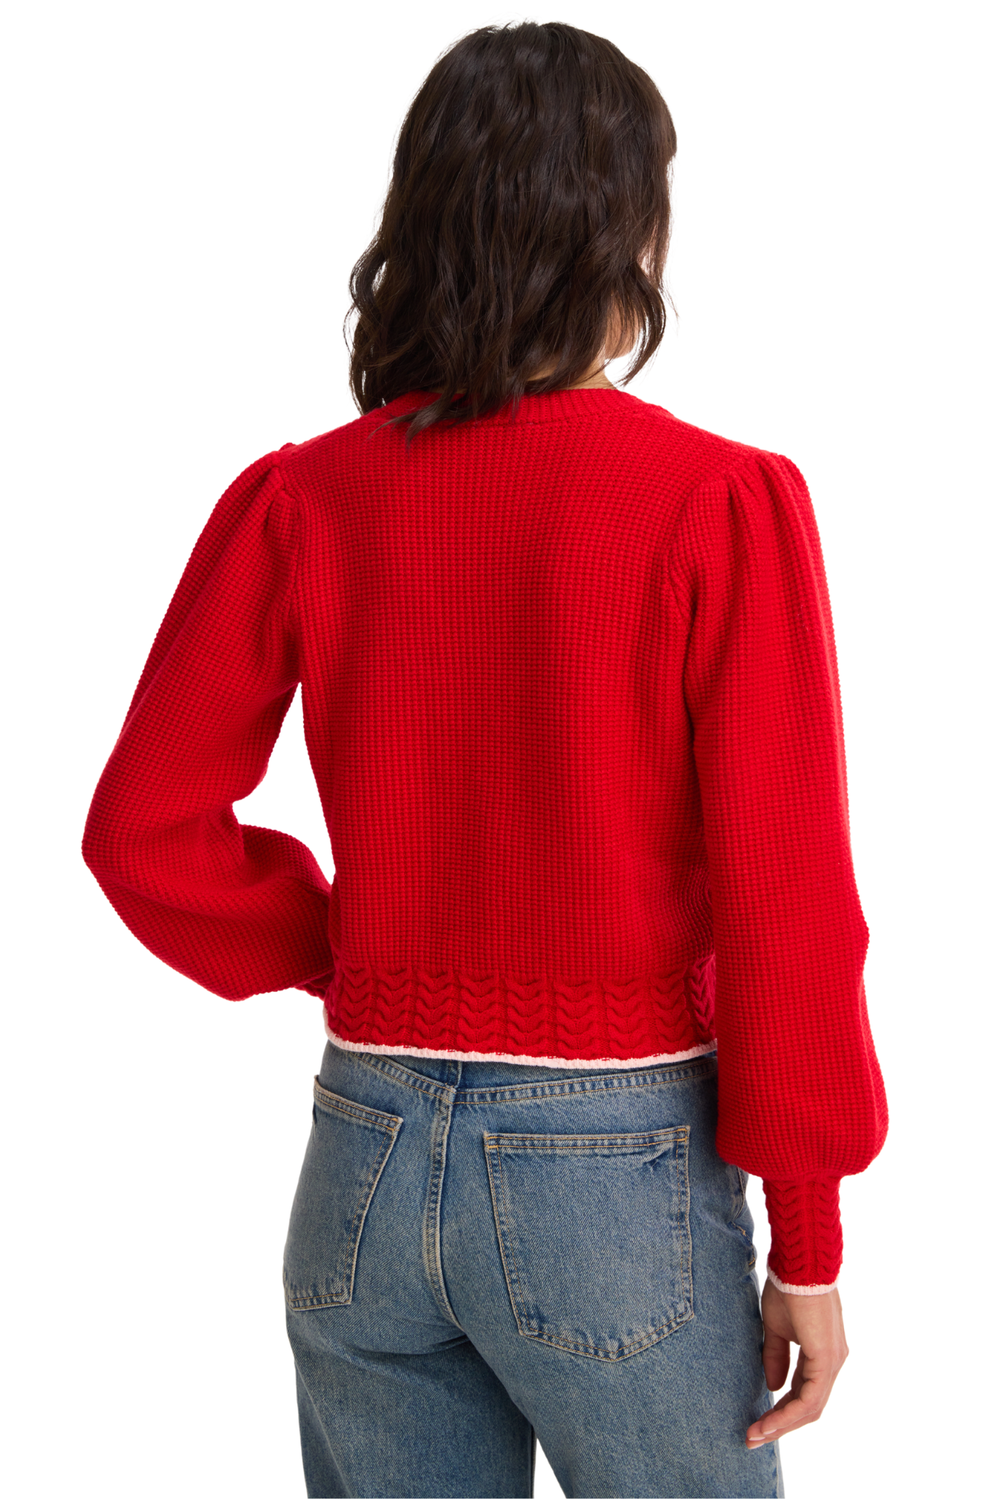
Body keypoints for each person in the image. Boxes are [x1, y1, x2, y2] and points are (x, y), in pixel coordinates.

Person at [81, 19, 888, 1499]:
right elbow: (788, 903)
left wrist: (348, 951)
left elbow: (143, 829)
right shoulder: (716, 504)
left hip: (365, 1156)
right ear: (626, 230)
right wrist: (811, 1240)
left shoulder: (302, 500)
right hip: (618, 1171)